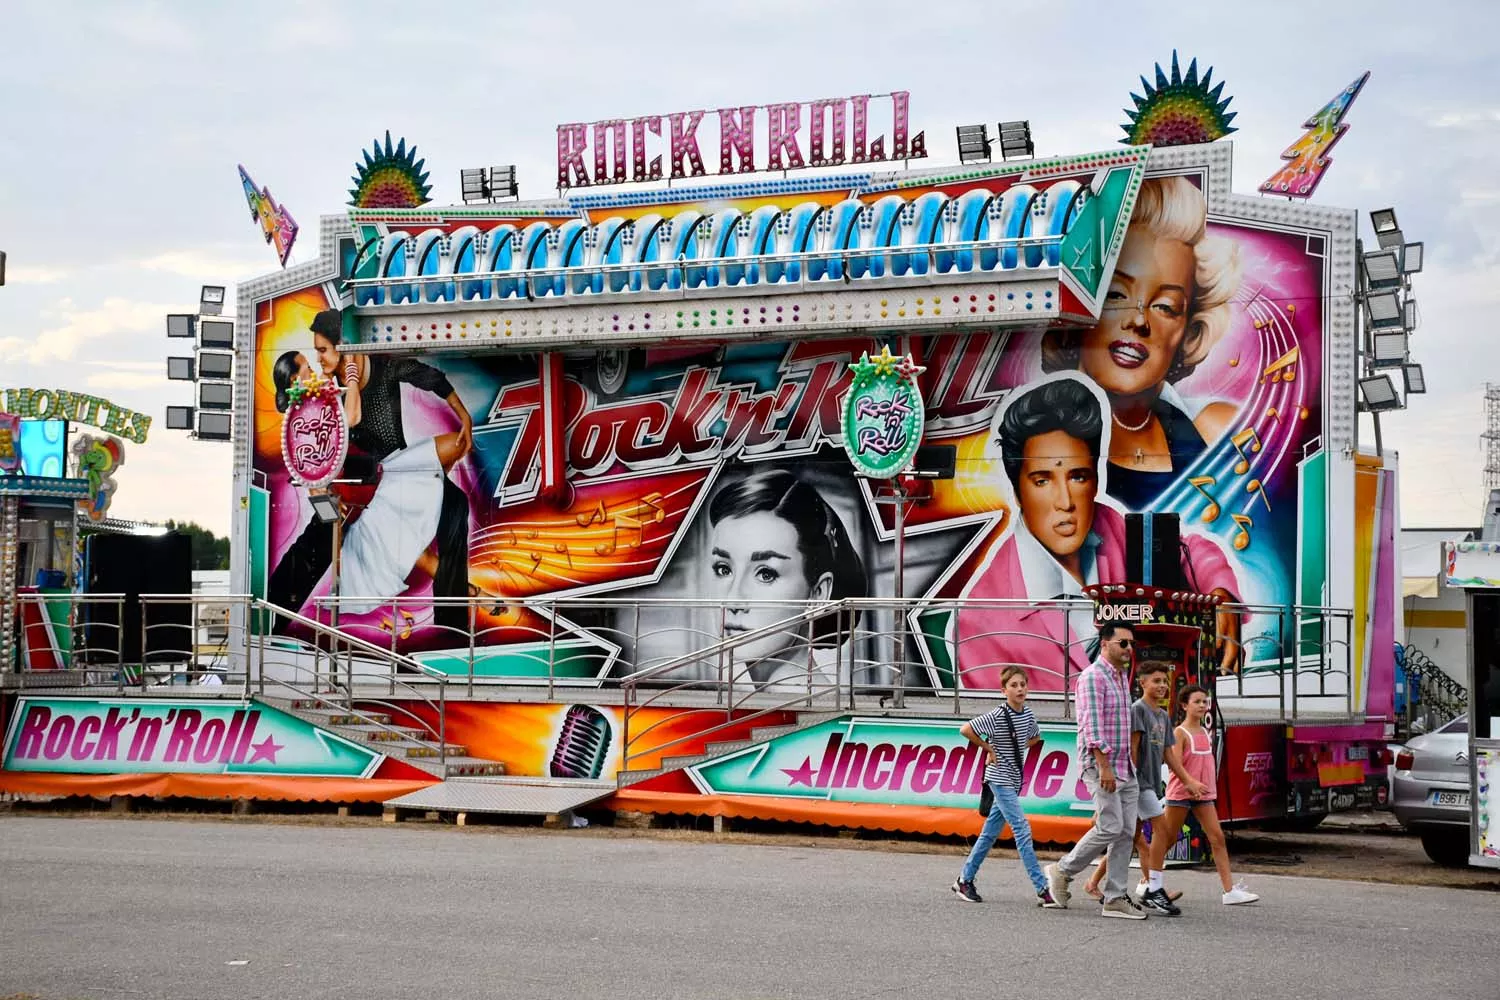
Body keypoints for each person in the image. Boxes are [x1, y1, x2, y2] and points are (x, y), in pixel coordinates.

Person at [956, 376, 1242, 691]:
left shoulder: (1110, 526)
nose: (1065, 502)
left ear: (1095, 477)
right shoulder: (980, 620)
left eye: (1078, 477)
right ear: (1017, 489)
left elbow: (1190, 550)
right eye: (1042, 480)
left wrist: (1221, 596)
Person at [1039, 176, 1243, 512]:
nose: (1138, 320)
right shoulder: (1033, 435)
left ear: (1188, 334)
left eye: (1165, 306)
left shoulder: (1215, 433)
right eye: (1116, 294)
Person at [705, 468, 867, 690]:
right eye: (724, 569)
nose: (733, 601)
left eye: (766, 574)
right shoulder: (778, 697)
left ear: (818, 594)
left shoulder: (808, 704)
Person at [1082, 660, 1203, 914]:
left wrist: (1187, 780)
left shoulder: (1162, 715)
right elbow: (1132, 750)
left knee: (1131, 837)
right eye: (1156, 681)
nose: (1162, 686)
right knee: (1163, 830)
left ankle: (1095, 882)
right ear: (1142, 683)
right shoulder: (1137, 710)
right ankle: (1153, 888)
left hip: (1148, 785)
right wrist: (1129, 784)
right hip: (1138, 783)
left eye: (1164, 681)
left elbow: (1169, 754)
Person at [1044, 623, 1148, 919]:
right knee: (1111, 827)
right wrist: (1104, 766)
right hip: (1103, 767)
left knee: (1126, 831)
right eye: (1122, 643)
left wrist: (1128, 764)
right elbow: (1092, 726)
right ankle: (1062, 870)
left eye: (1131, 644)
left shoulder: (1119, 677)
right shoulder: (1092, 677)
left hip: (1125, 767)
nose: (1129, 649)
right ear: (1105, 644)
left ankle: (1115, 896)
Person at [951, 666, 1060, 907]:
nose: (1020, 689)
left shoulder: (1028, 715)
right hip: (999, 780)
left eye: (1023, 684)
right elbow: (965, 729)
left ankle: (964, 879)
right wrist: (989, 748)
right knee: (1022, 829)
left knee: (989, 834)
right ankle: (1042, 888)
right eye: (1014, 685)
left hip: (1013, 779)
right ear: (1003, 691)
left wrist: (1013, 747)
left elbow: (1034, 738)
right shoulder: (998, 715)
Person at [1155, 684, 1260, 905]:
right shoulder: (1179, 733)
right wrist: (1189, 782)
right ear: (1184, 705)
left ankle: (1229, 891)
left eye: (1205, 702)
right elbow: (1174, 764)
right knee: (1168, 838)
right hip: (1180, 793)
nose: (1202, 705)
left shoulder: (1204, 731)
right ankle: (1149, 881)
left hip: (1203, 795)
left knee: (1217, 838)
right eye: (1197, 702)